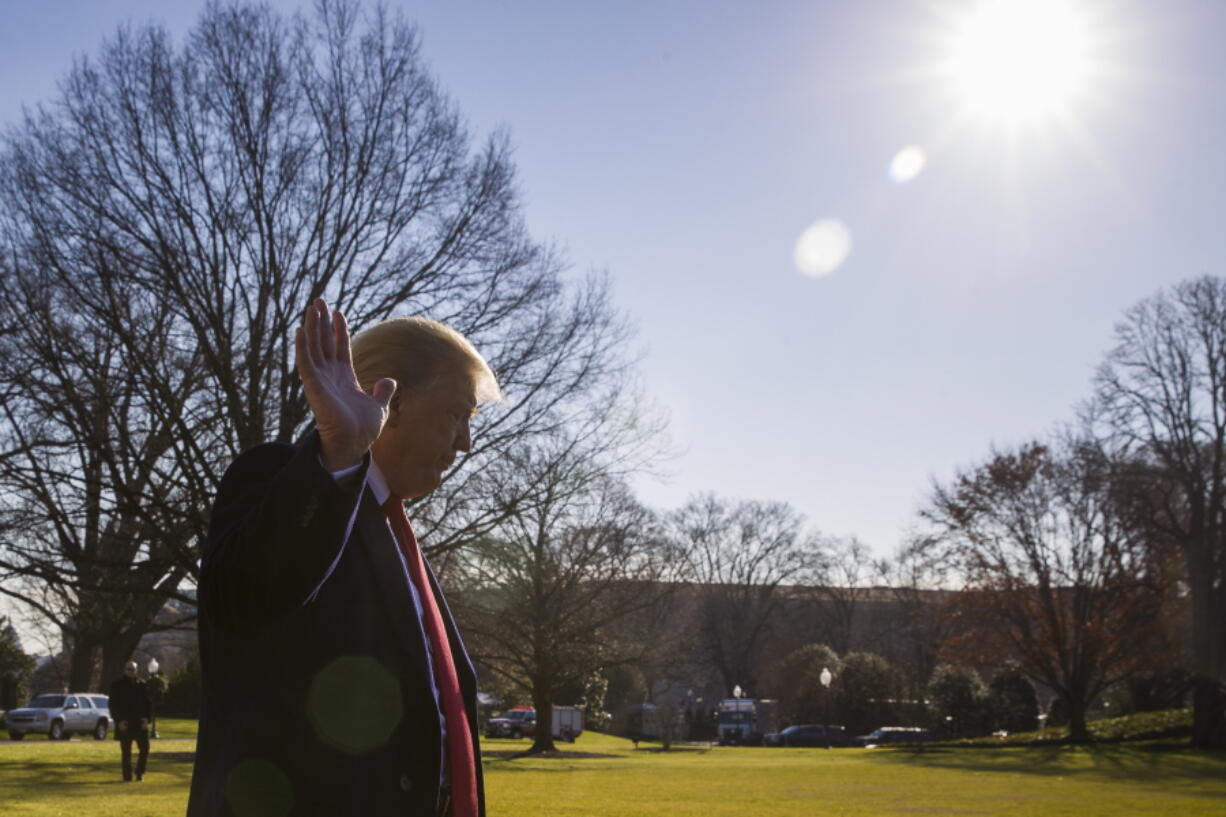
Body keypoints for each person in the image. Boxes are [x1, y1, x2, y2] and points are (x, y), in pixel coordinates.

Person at [187, 299, 499, 817]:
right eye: (454, 415)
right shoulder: (282, 479)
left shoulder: (397, 535)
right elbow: (242, 599)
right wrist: (337, 453)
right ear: (392, 404)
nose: (465, 443)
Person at [109, 661, 152, 782]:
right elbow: (113, 705)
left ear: (136, 670)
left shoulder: (142, 685)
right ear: (124, 670)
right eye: (129, 669)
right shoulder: (117, 685)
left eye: (133, 669)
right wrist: (119, 721)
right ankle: (127, 776)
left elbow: (149, 703)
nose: (131, 672)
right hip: (125, 722)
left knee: (145, 748)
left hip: (140, 722)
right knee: (126, 751)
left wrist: (147, 719)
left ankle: (139, 772)